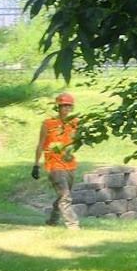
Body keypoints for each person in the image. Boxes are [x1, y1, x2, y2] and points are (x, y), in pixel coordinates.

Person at [32, 91, 81, 227]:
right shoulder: (48, 123)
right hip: (54, 164)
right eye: (63, 105)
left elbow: (79, 141)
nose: (66, 108)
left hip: (70, 164)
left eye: (68, 105)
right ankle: (73, 225)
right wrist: (36, 165)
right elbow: (41, 144)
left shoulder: (75, 123)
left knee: (62, 196)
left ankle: (52, 221)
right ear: (58, 107)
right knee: (65, 196)